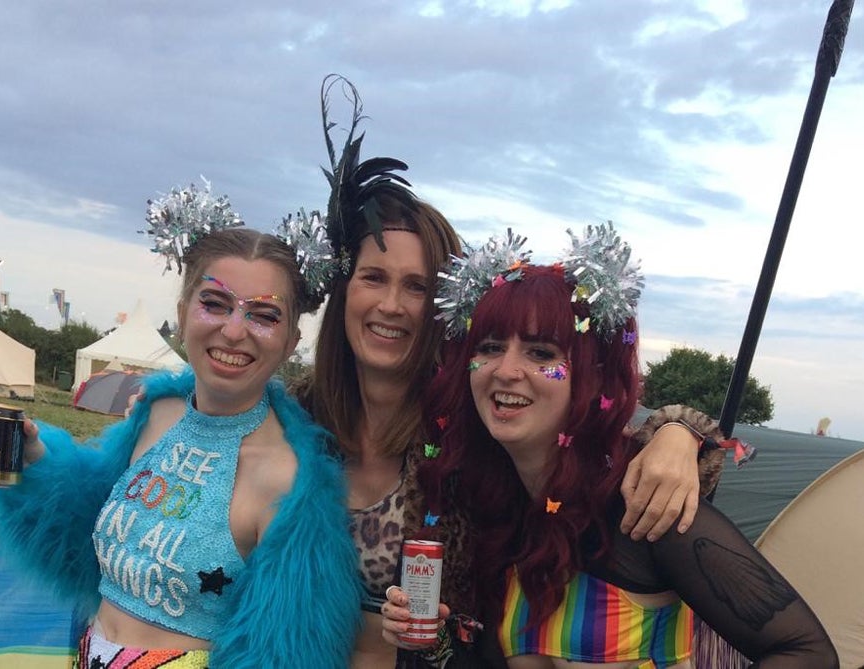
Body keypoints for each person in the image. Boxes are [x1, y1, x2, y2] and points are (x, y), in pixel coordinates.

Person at [296, 76, 729, 668]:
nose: (391, 305)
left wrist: (680, 431)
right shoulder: (293, 419)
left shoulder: (469, 430)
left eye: (417, 286)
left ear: (443, 308)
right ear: (344, 288)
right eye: (374, 278)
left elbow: (585, 429)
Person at [381, 228, 839, 667]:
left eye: (541, 353)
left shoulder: (642, 506)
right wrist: (435, 639)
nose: (506, 370)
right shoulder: (496, 513)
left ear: (590, 373)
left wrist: (680, 428)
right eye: (490, 347)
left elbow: (806, 653)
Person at [0, 185, 361, 669]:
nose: (234, 330)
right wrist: (35, 463)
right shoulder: (156, 412)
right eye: (215, 303)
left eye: (264, 315)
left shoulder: (288, 482)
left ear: (290, 341)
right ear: (181, 312)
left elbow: (286, 653)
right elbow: (84, 540)